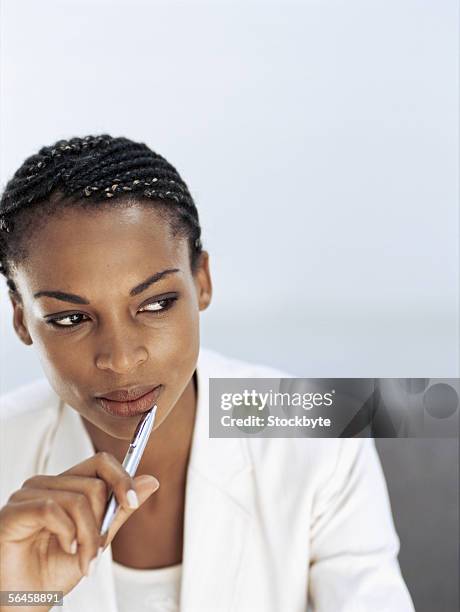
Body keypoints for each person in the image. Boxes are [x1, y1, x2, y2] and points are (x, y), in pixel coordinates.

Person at [0, 135, 415, 612]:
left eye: (156, 304)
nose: (120, 358)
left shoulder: (315, 430)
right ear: (21, 318)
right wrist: (17, 600)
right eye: (70, 319)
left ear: (202, 282)